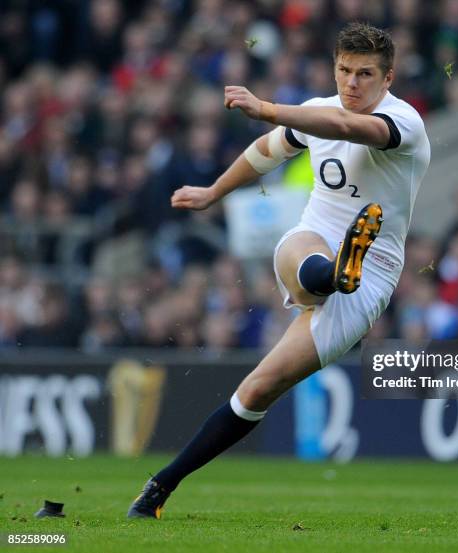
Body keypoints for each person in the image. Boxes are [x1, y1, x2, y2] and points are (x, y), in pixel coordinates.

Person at [127, 22, 431, 519]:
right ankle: (332, 271)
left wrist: (264, 107)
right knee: (300, 251)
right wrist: (214, 192)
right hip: (315, 242)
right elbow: (265, 153)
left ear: (388, 78)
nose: (352, 84)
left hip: (373, 271)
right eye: (344, 71)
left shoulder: (403, 122)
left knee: (258, 389)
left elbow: (349, 128)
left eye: (365, 74)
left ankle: (161, 486)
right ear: (334, 68)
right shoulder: (313, 112)